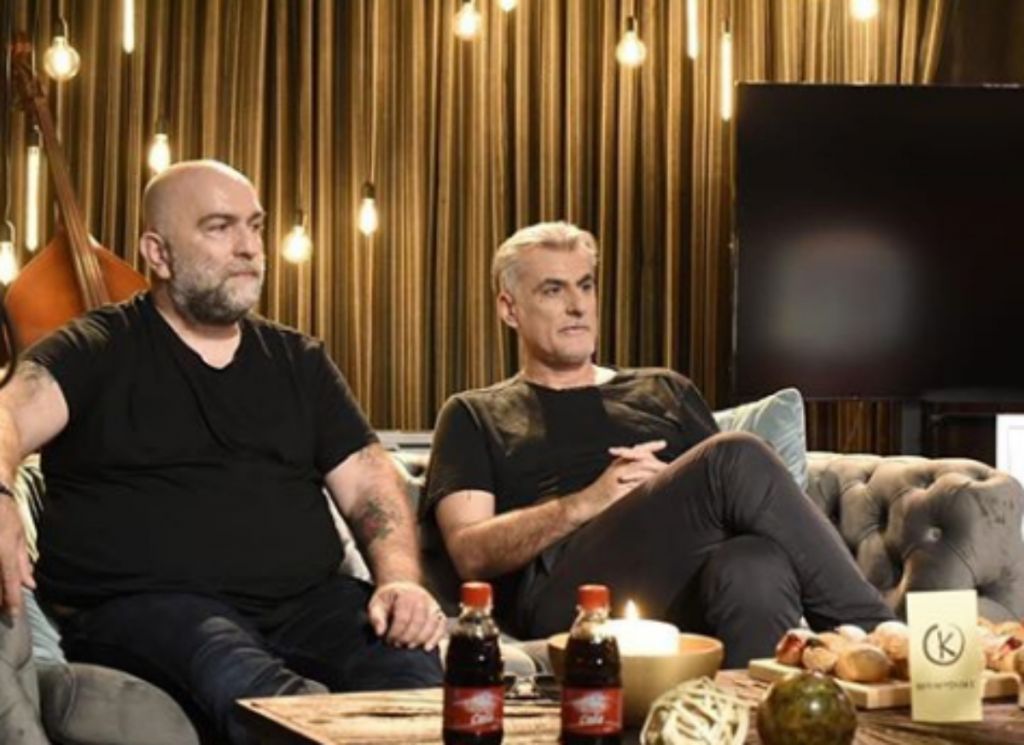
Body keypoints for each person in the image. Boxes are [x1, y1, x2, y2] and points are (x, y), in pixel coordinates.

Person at [0, 160, 444, 744]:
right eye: (219, 227)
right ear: (158, 254)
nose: (249, 247)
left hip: (308, 603)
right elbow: (7, 415)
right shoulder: (95, 348)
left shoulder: (299, 361)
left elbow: (369, 483)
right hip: (149, 606)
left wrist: (401, 581)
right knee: (240, 674)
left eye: (254, 226)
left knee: (413, 674)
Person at [423, 221, 895, 667]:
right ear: (509, 308)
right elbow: (469, 552)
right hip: (569, 599)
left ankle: (748, 713)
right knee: (734, 455)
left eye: (585, 286)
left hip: (684, 586)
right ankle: (882, 640)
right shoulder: (474, 413)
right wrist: (587, 502)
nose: (578, 306)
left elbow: (732, 506)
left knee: (754, 565)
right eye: (553, 290)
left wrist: (665, 491)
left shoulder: (665, 390)